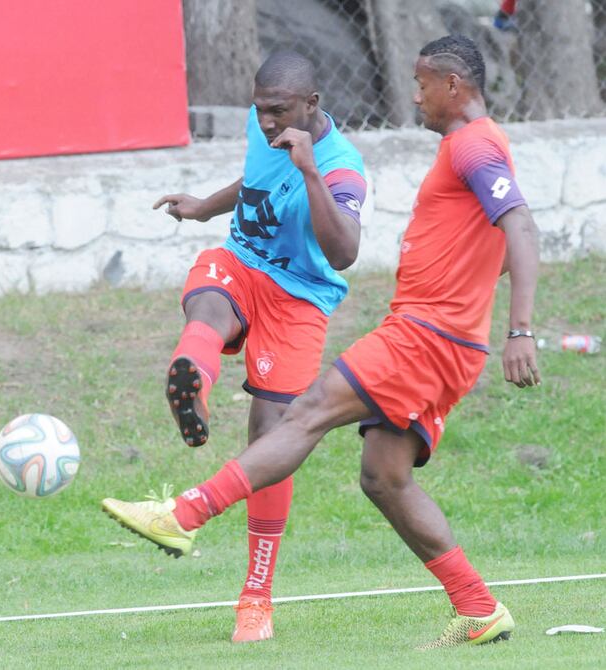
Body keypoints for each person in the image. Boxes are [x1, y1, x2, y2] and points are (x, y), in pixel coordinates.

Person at [103, 34, 540, 649]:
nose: (415, 97)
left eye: (422, 85)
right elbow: (494, 242)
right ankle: (478, 609)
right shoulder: (474, 144)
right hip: (442, 338)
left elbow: (519, 224)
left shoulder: (470, 145)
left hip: (424, 337)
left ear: (453, 85)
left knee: (305, 413)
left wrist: (519, 330)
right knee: (384, 478)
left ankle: (183, 514)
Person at [105, 51, 366, 643]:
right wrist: (205, 207)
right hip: (243, 264)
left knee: (271, 441)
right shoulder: (261, 123)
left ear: (311, 105)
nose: (267, 121)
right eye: (260, 109)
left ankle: (256, 600)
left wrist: (309, 172)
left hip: (300, 299)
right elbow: (256, 184)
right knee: (207, 297)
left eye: (279, 111)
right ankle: (193, 382)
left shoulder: (343, 169)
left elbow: (345, 252)